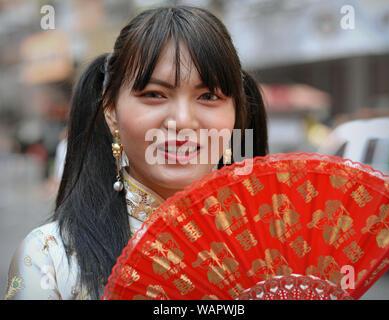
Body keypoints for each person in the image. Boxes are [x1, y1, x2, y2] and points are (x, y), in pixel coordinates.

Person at [5, 5, 268, 300]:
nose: (182, 120)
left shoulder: (271, 251)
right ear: (111, 111)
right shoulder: (48, 260)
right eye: (154, 95)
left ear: (236, 115)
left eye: (209, 96)